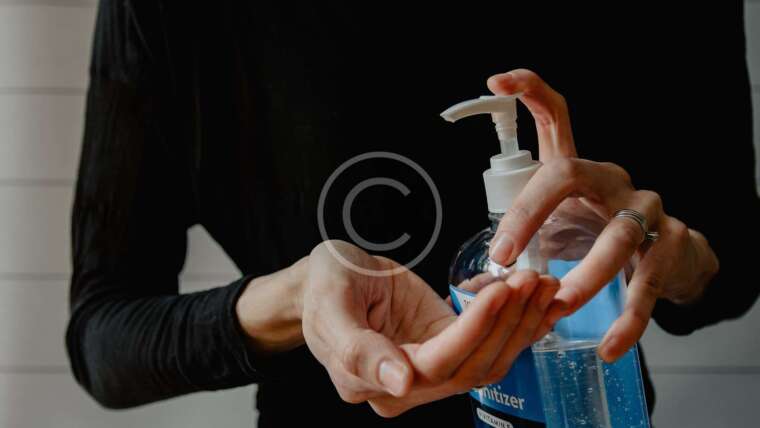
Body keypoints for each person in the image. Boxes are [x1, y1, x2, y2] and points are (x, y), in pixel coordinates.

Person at [66, 1, 759, 426]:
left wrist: (680, 259)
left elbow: (734, 271)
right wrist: (297, 300)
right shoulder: (179, 17)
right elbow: (103, 337)